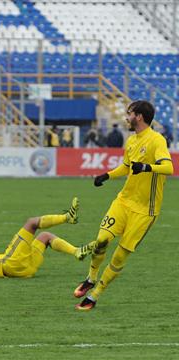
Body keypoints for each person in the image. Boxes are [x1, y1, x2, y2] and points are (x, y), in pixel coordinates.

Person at [74, 100, 174, 311]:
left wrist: (146, 167)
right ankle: (91, 277)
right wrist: (107, 175)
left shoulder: (157, 140)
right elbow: (127, 167)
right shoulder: (131, 140)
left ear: (138, 116)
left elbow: (168, 167)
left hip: (145, 211)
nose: (126, 118)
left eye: (129, 114)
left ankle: (95, 295)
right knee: (102, 239)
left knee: (120, 255)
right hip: (123, 201)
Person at [0, 198, 96, 278]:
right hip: (10, 265)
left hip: (28, 270)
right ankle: (67, 217)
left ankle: (76, 251)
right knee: (31, 223)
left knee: (45, 236)